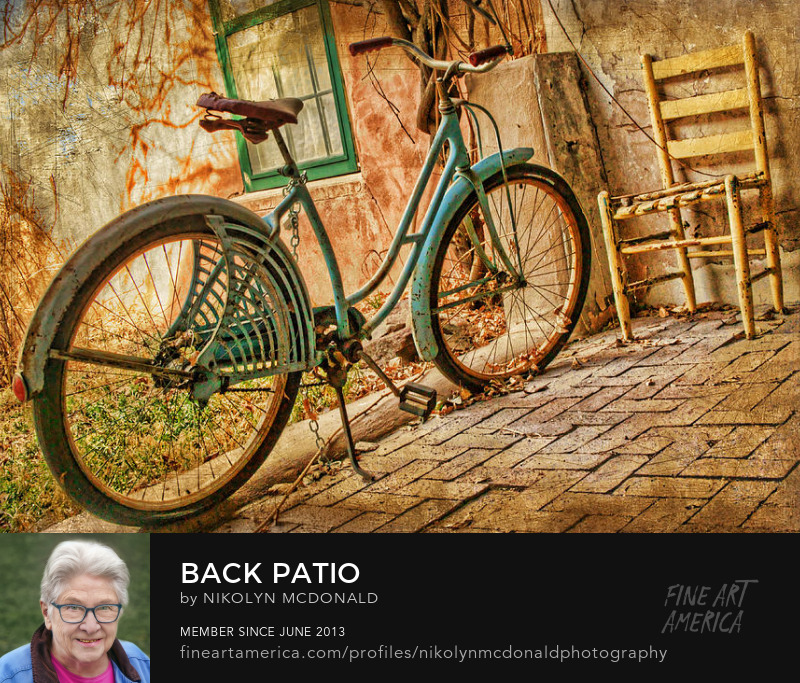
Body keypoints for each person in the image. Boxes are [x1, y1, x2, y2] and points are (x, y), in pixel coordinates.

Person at [0, 540, 150, 683]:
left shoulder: (142, 664)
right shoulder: (6, 675)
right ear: (47, 613)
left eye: (104, 607)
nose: (91, 627)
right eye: (74, 607)